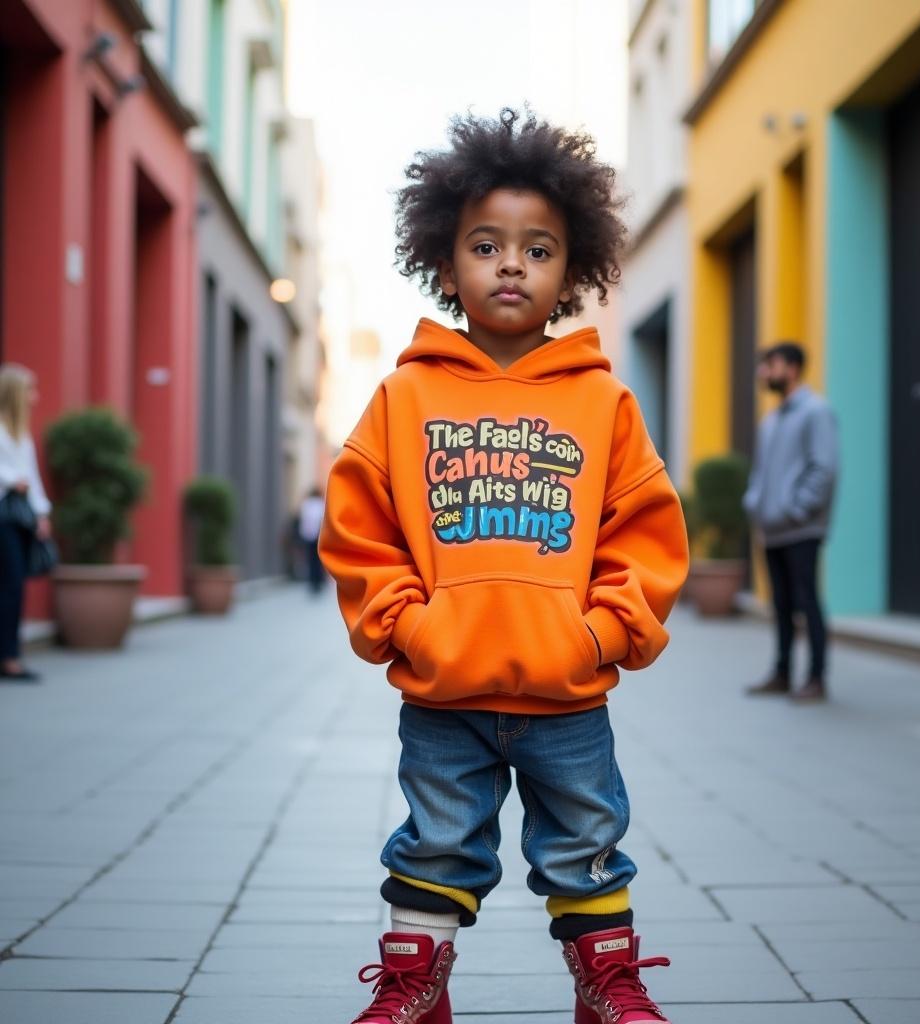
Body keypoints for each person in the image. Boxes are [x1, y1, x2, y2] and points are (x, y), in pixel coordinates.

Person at [318, 109, 689, 1024]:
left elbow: (643, 528)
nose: (512, 263)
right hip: (443, 696)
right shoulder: (406, 393)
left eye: (538, 248)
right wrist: (407, 623)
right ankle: (416, 987)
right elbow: (359, 525)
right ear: (446, 264)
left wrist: (603, 631)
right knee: (433, 847)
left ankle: (607, 986)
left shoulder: (603, 400)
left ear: (573, 271)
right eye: (486, 245)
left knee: (588, 845)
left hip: (568, 698)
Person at [742, 342, 838, 702]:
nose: (765, 373)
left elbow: (823, 469)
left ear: (793, 368)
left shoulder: (816, 412)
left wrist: (795, 510)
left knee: (807, 600)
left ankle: (816, 677)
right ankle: (782, 672)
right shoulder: (771, 421)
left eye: (772, 365)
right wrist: (755, 504)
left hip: (801, 527)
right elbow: (761, 474)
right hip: (772, 529)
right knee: (780, 603)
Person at [0, 364, 51, 682]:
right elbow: (18, 477)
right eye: (30, 390)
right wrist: (10, 480)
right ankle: (9, 657)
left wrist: (42, 513)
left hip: (19, 516)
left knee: (14, 585)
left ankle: (10, 654)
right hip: (3, 514)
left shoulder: (22, 434)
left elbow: (32, 477)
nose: (36, 397)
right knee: (10, 583)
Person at [297, 486, 326, 594]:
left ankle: (312, 582)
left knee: (310, 560)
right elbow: (323, 519)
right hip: (318, 536)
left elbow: (304, 521)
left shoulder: (306, 504)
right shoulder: (320, 504)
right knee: (318, 560)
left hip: (308, 536)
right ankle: (318, 582)